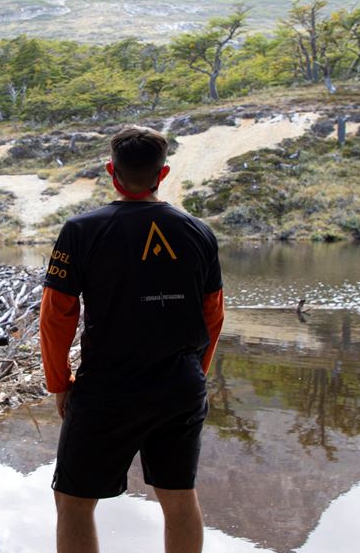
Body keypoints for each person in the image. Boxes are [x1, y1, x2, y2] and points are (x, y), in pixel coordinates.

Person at [40, 126, 225, 553]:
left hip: (107, 389)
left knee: (73, 501)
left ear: (111, 171)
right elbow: (213, 316)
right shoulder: (198, 231)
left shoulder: (81, 230)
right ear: (163, 173)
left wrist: (59, 382)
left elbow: (56, 318)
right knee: (179, 498)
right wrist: (195, 374)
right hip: (179, 385)